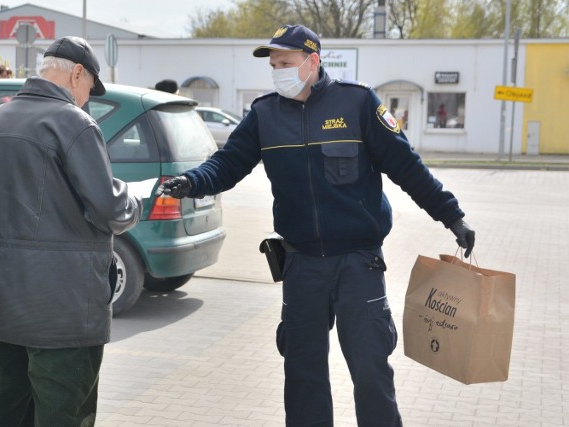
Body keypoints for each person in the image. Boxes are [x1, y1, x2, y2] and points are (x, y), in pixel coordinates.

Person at [157, 24, 475, 426]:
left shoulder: (357, 103)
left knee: (371, 371)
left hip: (358, 264)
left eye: (285, 63)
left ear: (313, 61)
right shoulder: (265, 114)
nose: (277, 71)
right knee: (303, 375)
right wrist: (191, 182)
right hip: (301, 265)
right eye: (273, 65)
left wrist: (452, 215)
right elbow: (227, 163)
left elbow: (406, 167)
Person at [0, 36, 146, 427]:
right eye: (87, 89)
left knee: (1, 409)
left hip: (2, 303)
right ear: (77, 73)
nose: (86, 99)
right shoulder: (73, 123)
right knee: (64, 412)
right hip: (63, 309)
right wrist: (134, 202)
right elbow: (108, 207)